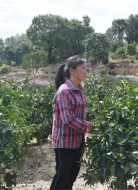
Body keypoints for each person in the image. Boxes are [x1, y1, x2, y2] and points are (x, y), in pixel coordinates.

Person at [50, 55, 94, 190]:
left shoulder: (79, 91)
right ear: (72, 71)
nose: (86, 72)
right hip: (64, 142)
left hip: (77, 141)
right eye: (83, 69)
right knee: (62, 176)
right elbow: (67, 119)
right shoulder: (64, 91)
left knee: (72, 175)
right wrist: (87, 125)